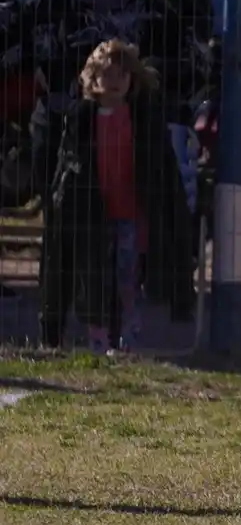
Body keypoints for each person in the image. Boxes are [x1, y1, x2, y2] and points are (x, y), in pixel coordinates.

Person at [43, 39, 192, 354]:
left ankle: (129, 336)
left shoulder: (142, 120)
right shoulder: (81, 119)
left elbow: (159, 170)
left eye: (121, 75)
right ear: (92, 78)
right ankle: (98, 338)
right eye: (107, 75)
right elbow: (68, 169)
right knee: (95, 278)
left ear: (132, 80)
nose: (114, 82)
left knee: (128, 279)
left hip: (131, 214)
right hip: (93, 215)